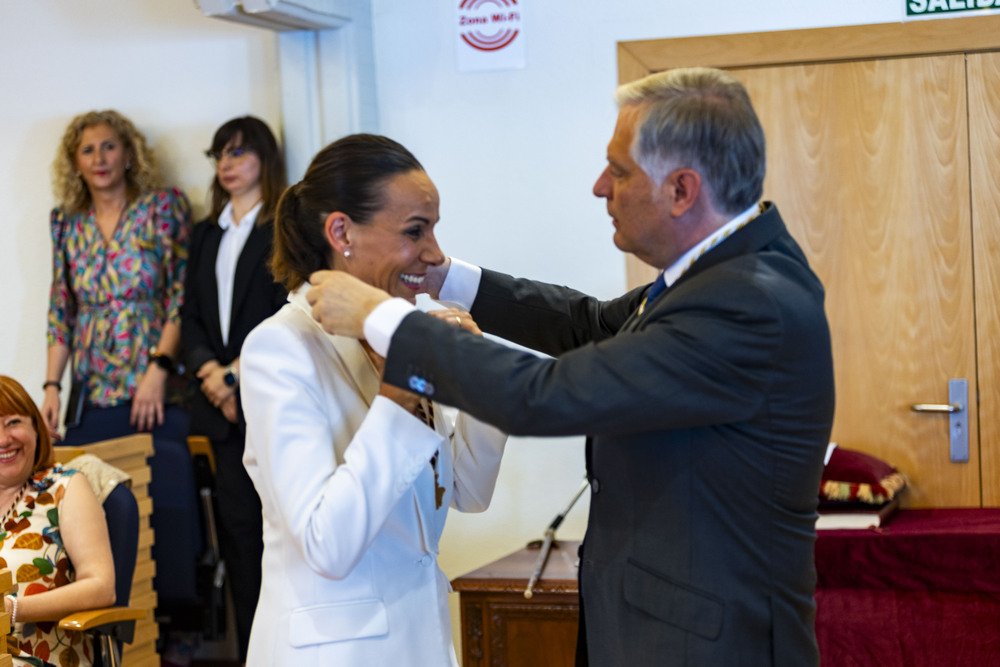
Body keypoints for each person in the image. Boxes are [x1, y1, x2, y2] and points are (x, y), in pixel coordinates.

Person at [305, 67, 837, 666]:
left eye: (620, 170)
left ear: (682, 190)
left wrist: (386, 320)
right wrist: (447, 279)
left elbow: (547, 395)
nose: (599, 187)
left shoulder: (747, 304)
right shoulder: (717, 278)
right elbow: (588, 327)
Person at [238, 133, 507, 666]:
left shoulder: (392, 338)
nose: (434, 254)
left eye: (433, 229)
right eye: (415, 231)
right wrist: (402, 391)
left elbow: (469, 491)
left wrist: (476, 374)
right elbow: (327, 545)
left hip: (422, 643)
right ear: (341, 232)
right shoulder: (280, 347)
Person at [41, 109, 200, 634]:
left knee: (168, 503)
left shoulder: (162, 209)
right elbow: (61, 309)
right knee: (101, 508)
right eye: (87, 151)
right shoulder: (66, 221)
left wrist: (159, 367)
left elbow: (181, 296)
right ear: (75, 163)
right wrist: (50, 388)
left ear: (129, 154)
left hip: (156, 390)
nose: (99, 159)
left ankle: (177, 631)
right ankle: (112, 634)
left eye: (109, 147)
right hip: (93, 393)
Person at [180, 116, 287, 664]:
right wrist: (211, 376)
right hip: (220, 408)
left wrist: (234, 375)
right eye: (220, 153)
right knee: (238, 539)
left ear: (264, 160)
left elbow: (286, 310)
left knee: (279, 539)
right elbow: (190, 318)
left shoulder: (282, 226)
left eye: (239, 153)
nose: (226, 163)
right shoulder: (206, 232)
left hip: (265, 395)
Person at [0, 375, 116, 667]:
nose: (3, 439)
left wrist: (13, 609)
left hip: (37, 657)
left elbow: (102, 586)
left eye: (13, 422)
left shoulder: (64, 488)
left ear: (36, 428)